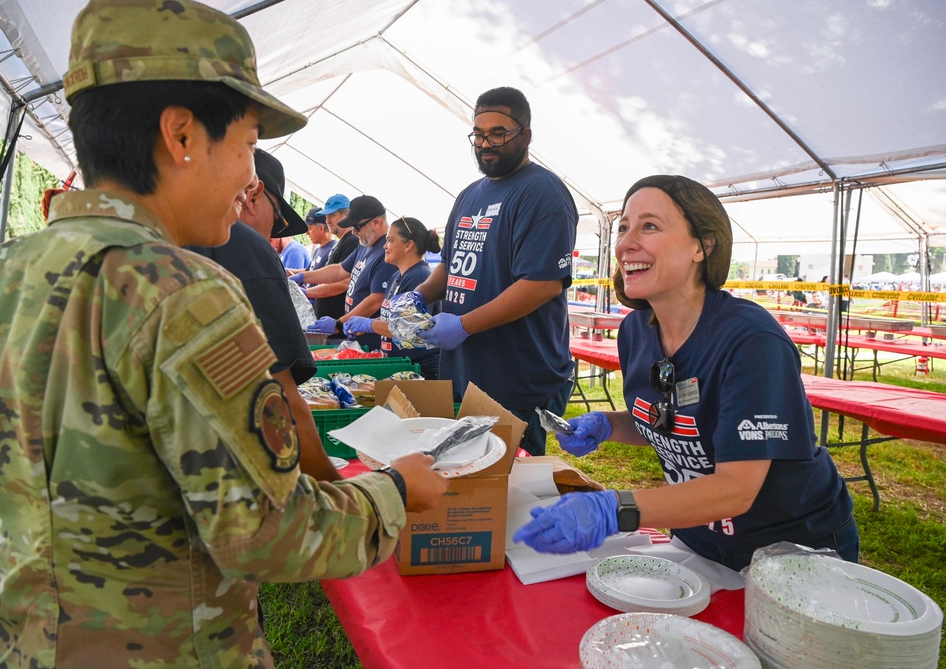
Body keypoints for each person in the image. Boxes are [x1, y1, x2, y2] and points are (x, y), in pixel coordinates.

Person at [0, 0, 448, 665]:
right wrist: (394, 490)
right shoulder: (187, 294)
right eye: (246, 146)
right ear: (181, 135)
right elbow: (267, 532)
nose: (249, 177)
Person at [514, 175, 858, 572]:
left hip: (793, 549)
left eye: (650, 226)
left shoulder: (751, 340)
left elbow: (736, 488)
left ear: (702, 245)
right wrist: (608, 424)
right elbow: (675, 421)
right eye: (623, 227)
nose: (625, 243)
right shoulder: (636, 330)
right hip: (697, 536)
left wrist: (616, 508)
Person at [409, 86, 579, 456]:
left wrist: (465, 324)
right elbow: (451, 267)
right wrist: (419, 294)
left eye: (498, 133)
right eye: (479, 133)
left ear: (526, 135)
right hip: (464, 371)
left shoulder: (542, 192)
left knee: (509, 491)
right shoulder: (469, 195)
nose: (485, 143)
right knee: (467, 484)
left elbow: (542, 284)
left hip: (516, 377)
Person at [187, 149, 340, 482]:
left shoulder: (159, 230)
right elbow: (282, 402)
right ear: (254, 195)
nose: (274, 232)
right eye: (279, 220)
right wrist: (352, 498)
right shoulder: (243, 246)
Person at [294, 196, 397, 352]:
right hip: (355, 339)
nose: (354, 232)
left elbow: (376, 299)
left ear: (376, 223)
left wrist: (338, 324)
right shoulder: (365, 245)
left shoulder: (386, 251)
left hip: (373, 344)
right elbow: (340, 270)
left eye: (357, 227)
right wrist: (304, 277)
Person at [344, 217, 442, 378]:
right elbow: (393, 318)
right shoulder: (397, 276)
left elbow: (408, 328)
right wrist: (364, 327)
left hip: (420, 371)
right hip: (399, 367)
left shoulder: (419, 277)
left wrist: (370, 324)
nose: (384, 246)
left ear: (408, 245)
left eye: (390, 240)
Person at [300, 194, 358, 339]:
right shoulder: (342, 243)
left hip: (337, 328)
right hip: (330, 328)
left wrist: (309, 292)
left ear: (347, 215)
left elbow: (344, 282)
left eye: (332, 215)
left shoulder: (351, 242)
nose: (328, 220)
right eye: (326, 216)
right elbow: (334, 272)